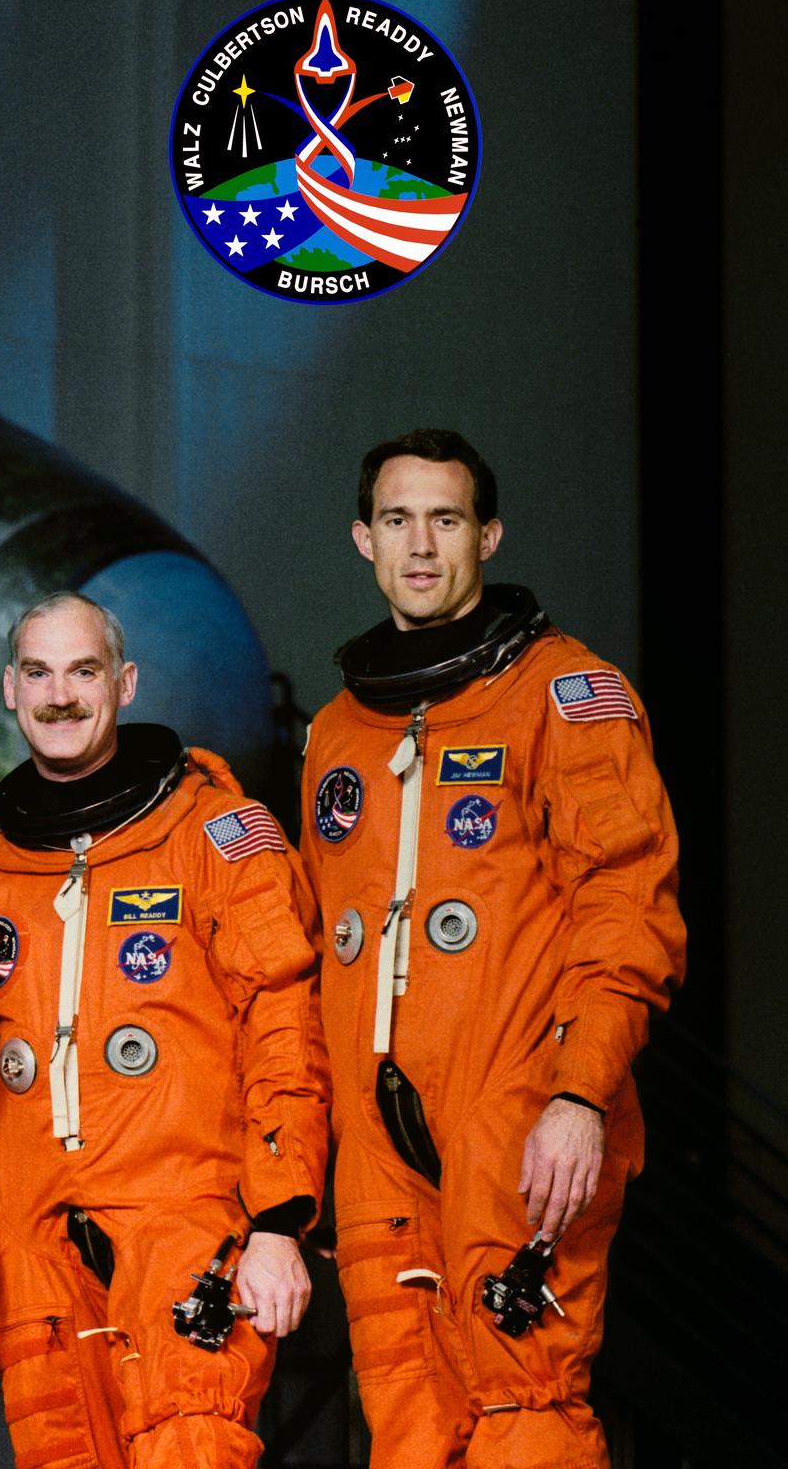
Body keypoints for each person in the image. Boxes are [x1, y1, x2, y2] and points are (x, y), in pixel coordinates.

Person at [302, 429, 684, 1468]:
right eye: (396, 519)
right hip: (377, 1142)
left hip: (518, 1111)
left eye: (446, 519)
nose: (420, 545)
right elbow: (320, 956)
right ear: (361, 540)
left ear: (490, 535)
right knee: (407, 1419)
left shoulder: (565, 697)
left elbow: (626, 906)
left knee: (527, 1409)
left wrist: (579, 1095)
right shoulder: (339, 733)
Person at [0, 592, 330, 1469]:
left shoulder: (216, 838)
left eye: (84, 671)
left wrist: (278, 1220)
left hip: (187, 1221)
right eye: (38, 673)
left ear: (126, 682)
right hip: (34, 1247)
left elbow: (283, 1027)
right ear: (9, 689)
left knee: (194, 1444)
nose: (61, 695)